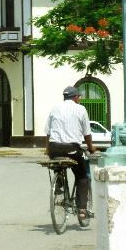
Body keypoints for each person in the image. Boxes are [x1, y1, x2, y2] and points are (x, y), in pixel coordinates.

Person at [45, 86, 96, 220]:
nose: (79, 99)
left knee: (58, 163)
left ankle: (59, 183)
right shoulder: (81, 109)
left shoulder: (54, 108)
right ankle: (82, 209)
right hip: (72, 149)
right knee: (82, 177)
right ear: (75, 97)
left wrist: (47, 150)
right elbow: (87, 133)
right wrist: (91, 148)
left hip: (54, 148)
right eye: (79, 97)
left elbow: (48, 132)